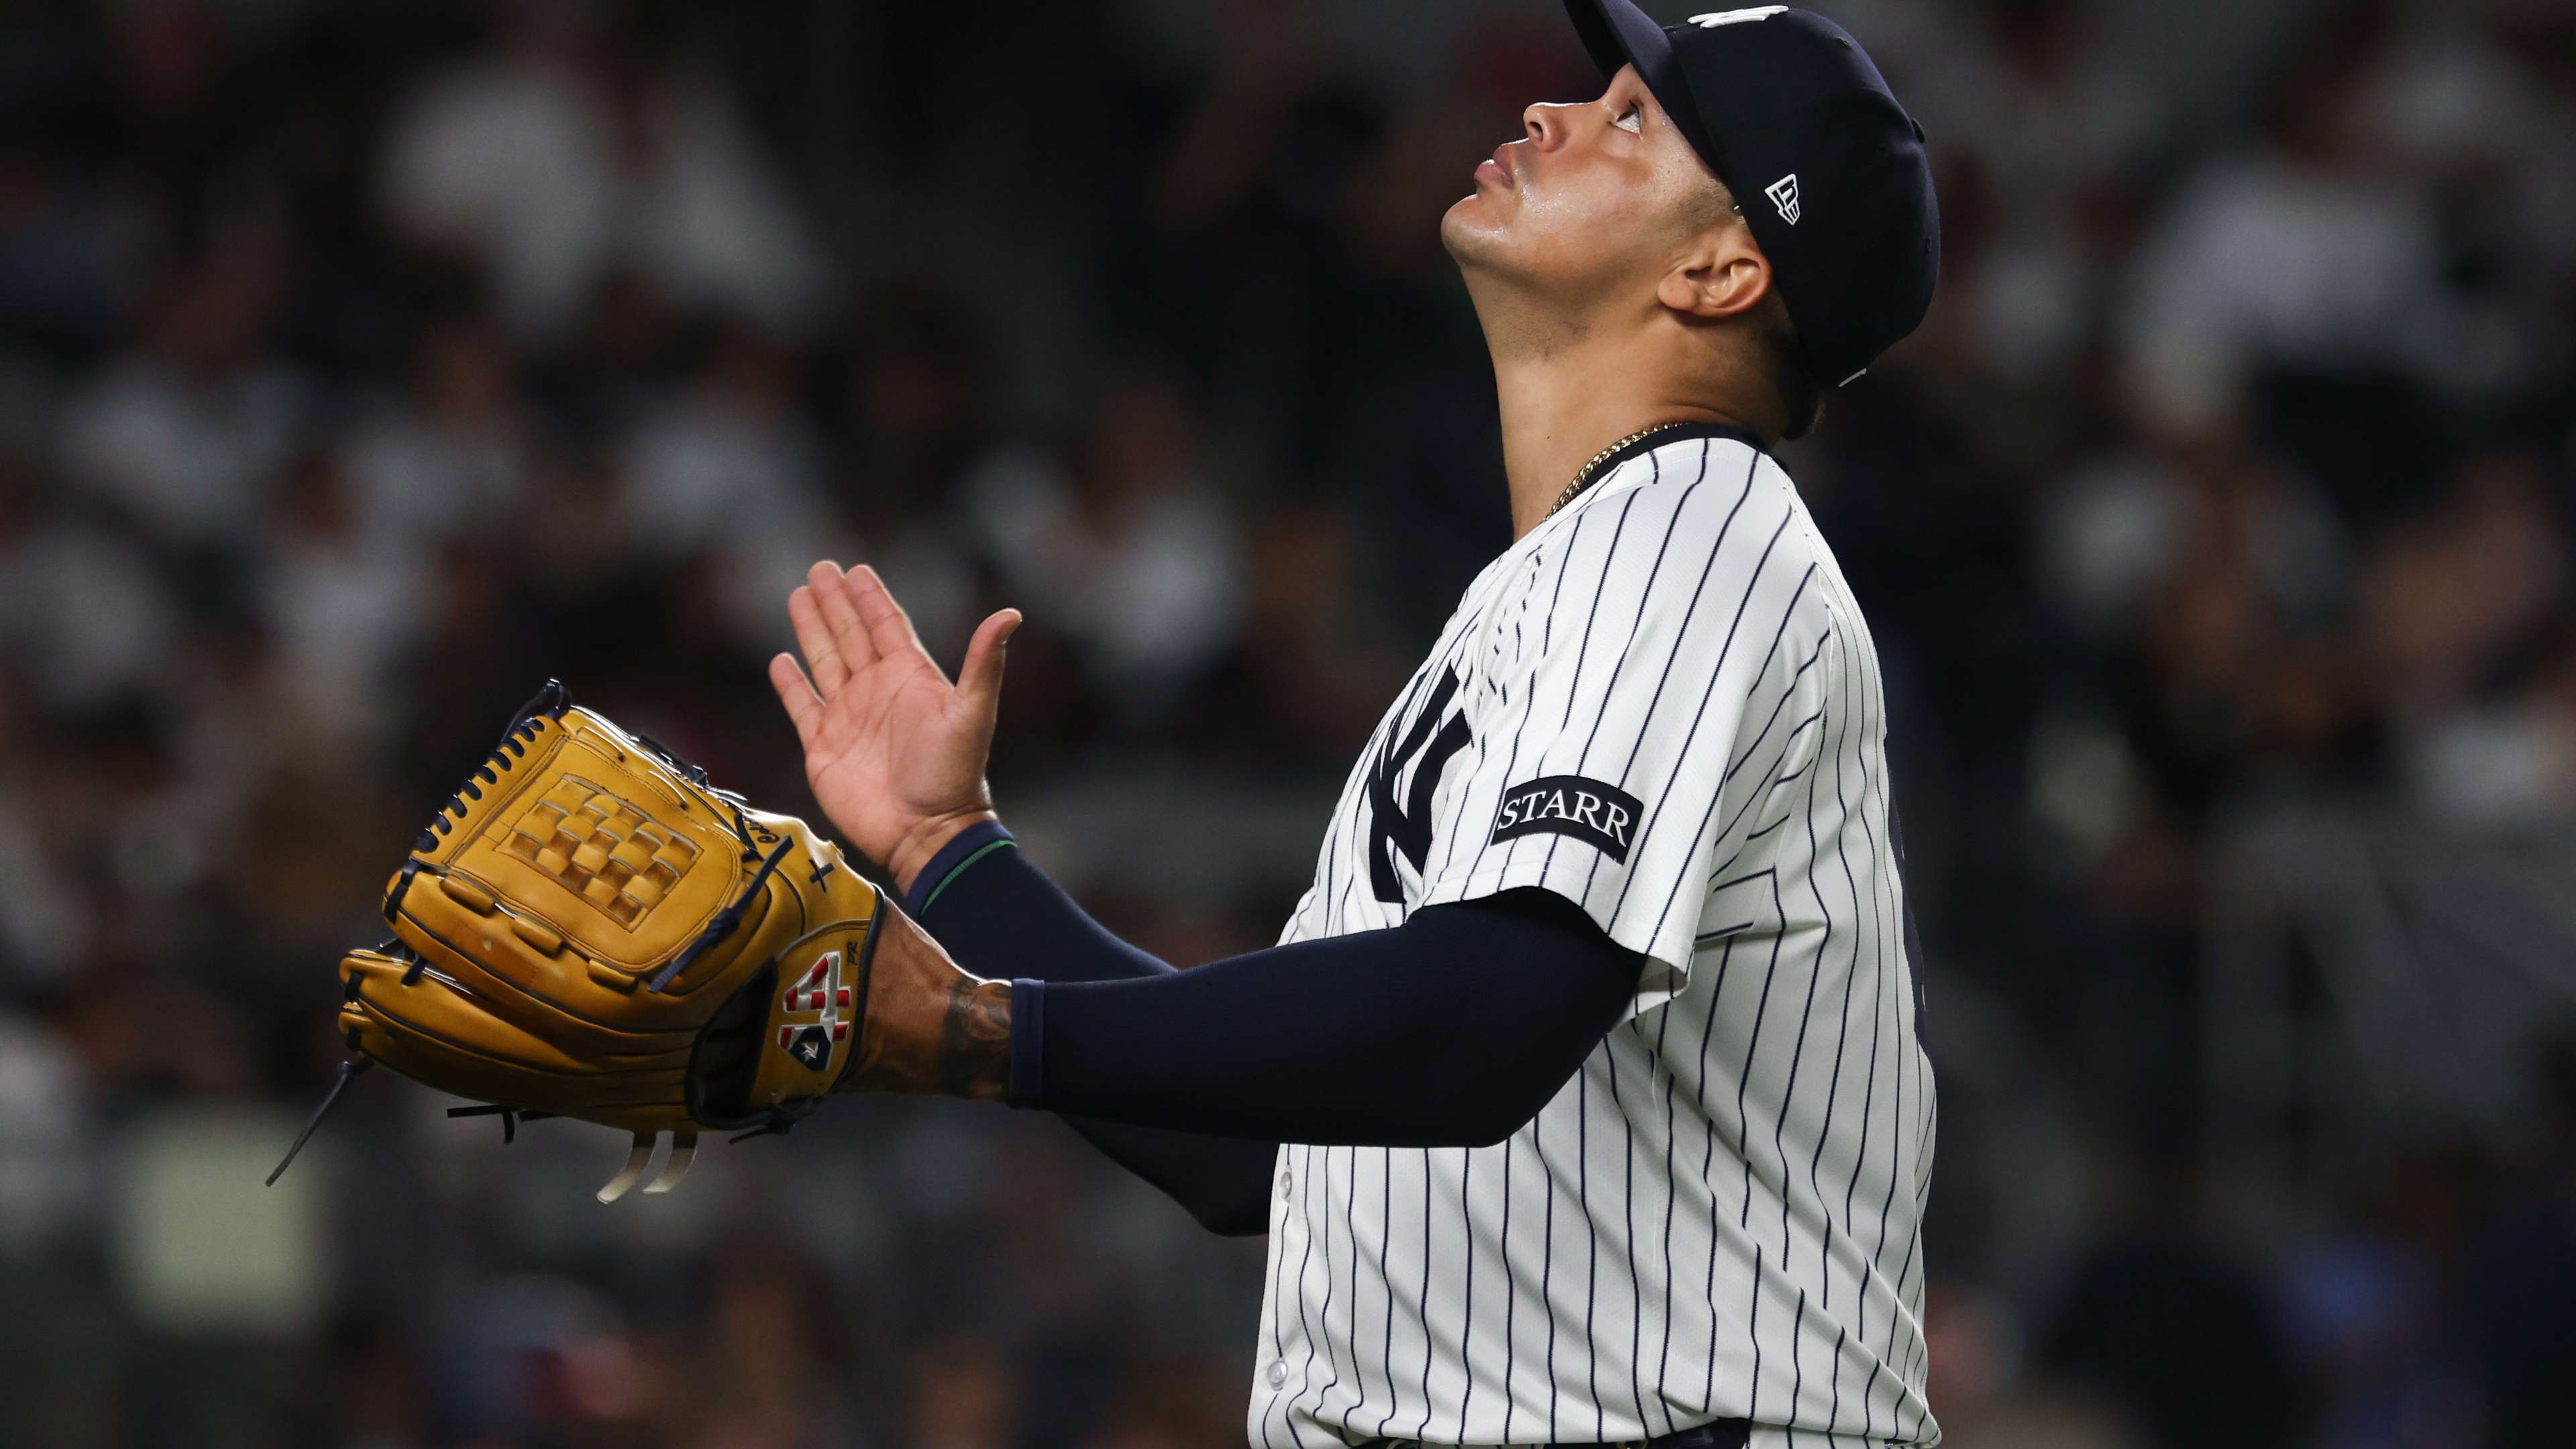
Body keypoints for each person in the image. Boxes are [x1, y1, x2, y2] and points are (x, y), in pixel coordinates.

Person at [773, 5, 1940, 1445]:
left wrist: (981, 1032)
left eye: (1631, 119)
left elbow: (1481, 1022)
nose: (1548, 119)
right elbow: (1259, 1147)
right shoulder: (1561, 585)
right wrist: (956, 864)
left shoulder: (1692, 531)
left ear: (1720, 268)